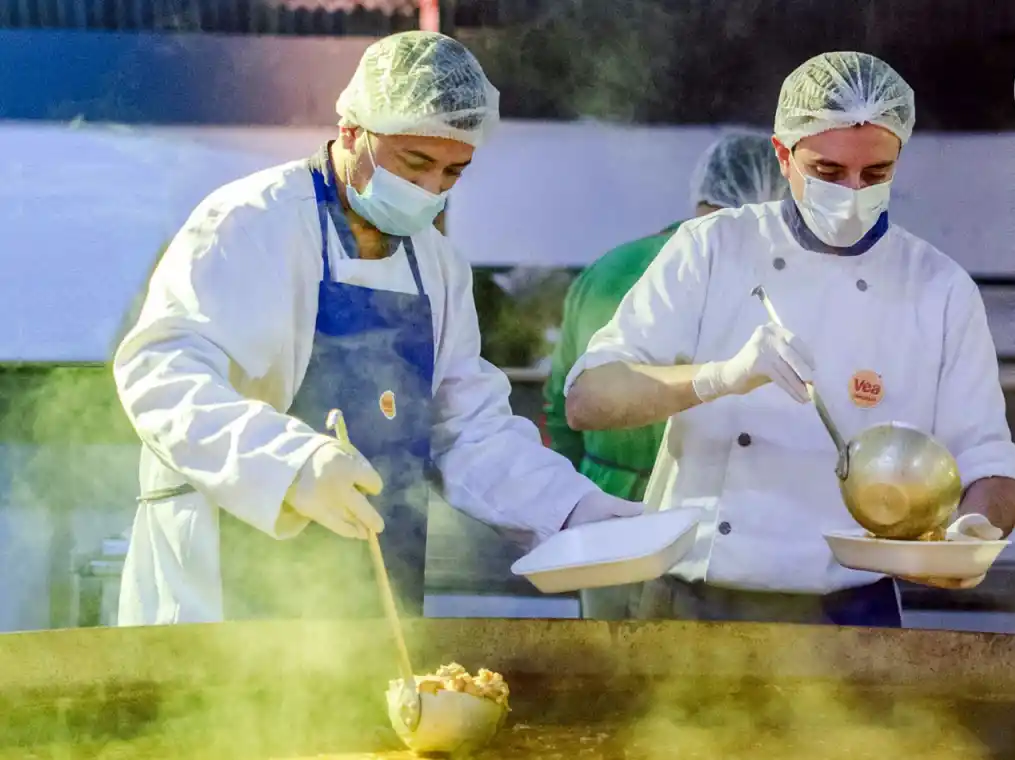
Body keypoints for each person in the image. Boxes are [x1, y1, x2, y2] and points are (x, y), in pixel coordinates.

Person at [112, 31, 640, 626]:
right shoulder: (253, 221)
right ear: (351, 131)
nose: (430, 190)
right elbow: (161, 372)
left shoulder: (437, 265)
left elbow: (468, 430)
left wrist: (574, 510)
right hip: (229, 571)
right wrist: (291, 465)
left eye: (452, 173)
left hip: (373, 582)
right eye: (414, 163)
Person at [562, 52, 1015, 627]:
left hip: (852, 608)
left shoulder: (940, 288)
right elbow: (587, 399)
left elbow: (990, 460)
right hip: (695, 601)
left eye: (876, 174)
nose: (853, 192)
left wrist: (974, 532)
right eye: (828, 172)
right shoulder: (712, 248)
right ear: (783, 156)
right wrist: (717, 378)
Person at [542, 132, 789, 619]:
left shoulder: (608, 267)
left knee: (603, 676)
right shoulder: (758, 282)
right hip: (699, 524)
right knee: (683, 681)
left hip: (602, 517)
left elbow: (560, 404)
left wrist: (582, 493)